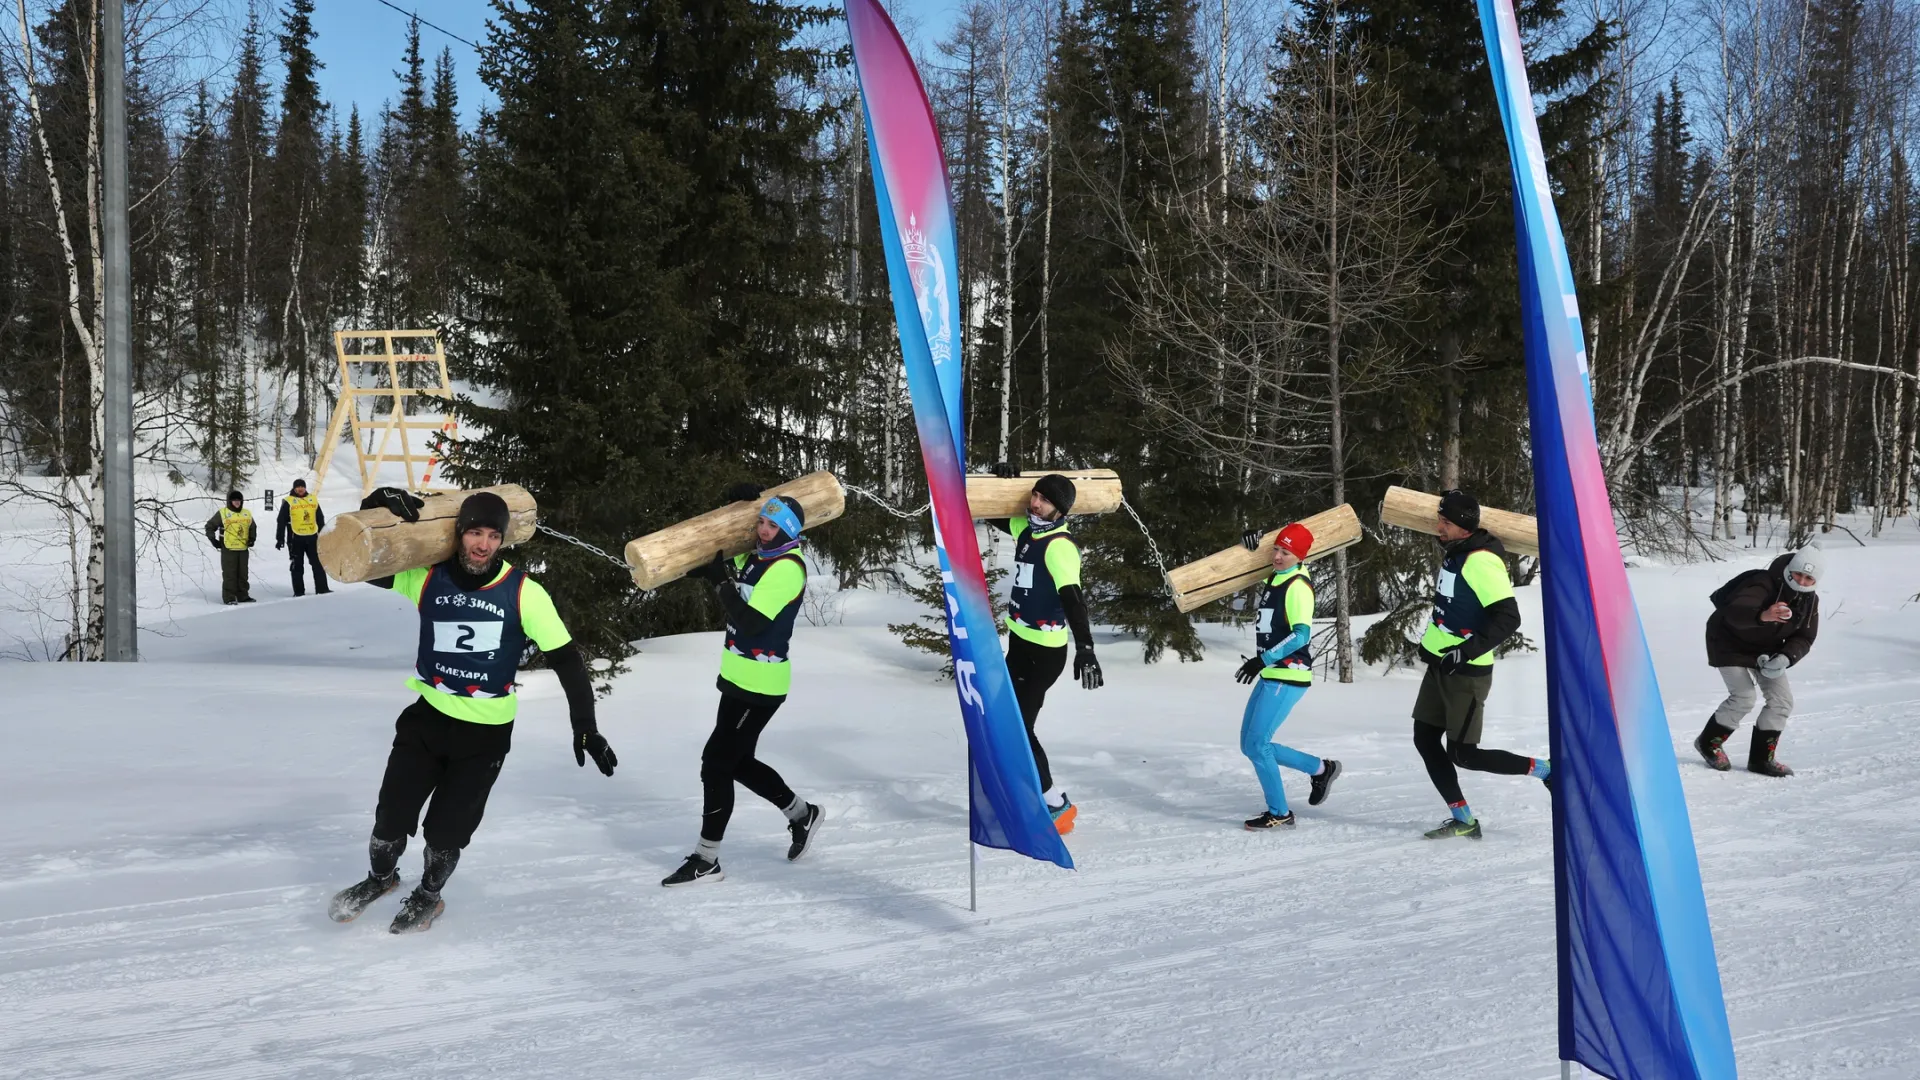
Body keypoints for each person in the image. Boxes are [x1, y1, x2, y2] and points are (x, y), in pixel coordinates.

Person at [328, 488, 618, 933]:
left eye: (492, 536)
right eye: (474, 533)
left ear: (503, 541)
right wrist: (375, 507)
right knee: (390, 818)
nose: (483, 544)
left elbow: (567, 660)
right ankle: (380, 879)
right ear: (458, 533)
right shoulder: (426, 576)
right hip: (426, 718)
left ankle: (428, 895)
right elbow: (367, 560)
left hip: (484, 734)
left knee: (446, 833)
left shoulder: (524, 593)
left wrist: (586, 726)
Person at [663, 488, 824, 888]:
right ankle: (802, 814)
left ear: (788, 532)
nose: (763, 531)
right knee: (736, 762)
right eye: (761, 522)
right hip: (737, 678)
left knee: (716, 763)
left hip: (762, 687)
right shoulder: (758, 555)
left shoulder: (786, 567)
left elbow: (750, 622)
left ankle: (707, 858)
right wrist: (734, 504)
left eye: (772, 526)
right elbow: (721, 552)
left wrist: (720, 584)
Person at [1412, 489, 1549, 840]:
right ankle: (1464, 819)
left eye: (1444, 522)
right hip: (1441, 666)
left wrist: (1466, 651)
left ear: (1462, 526)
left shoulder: (1480, 561)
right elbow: (1452, 607)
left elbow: (1508, 617)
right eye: (1438, 520)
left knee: (1464, 755)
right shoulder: (1457, 553)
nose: (1438, 527)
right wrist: (1431, 647)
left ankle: (1547, 770)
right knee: (1425, 739)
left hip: (1466, 674)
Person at [987, 462, 1103, 834]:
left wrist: (1085, 648)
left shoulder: (1060, 547)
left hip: (1044, 654)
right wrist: (1003, 479)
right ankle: (1028, 793)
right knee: (1009, 720)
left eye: (1044, 500)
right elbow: (992, 514)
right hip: (1020, 642)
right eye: (1034, 494)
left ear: (1060, 510)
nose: (1035, 503)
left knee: (1020, 726)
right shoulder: (1028, 529)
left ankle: (1055, 803)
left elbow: (1073, 600)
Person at [1233, 521, 1340, 829]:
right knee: (1250, 745)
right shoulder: (1278, 576)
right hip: (1272, 672)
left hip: (1287, 674)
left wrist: (1261, 659)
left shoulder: (1297, 586)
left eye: (1286, 552)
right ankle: (1321, 769)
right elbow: (1247, 563)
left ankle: (1279, 812)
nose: (1278, 557)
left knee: (1257, 744)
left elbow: (1301, 635)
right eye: (1276, 550)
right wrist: (1251, 542)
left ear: (1300, 557)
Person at [1696, 543, 1822, 777]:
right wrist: (1762, 615)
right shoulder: (1762, 582)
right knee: (1744, 697)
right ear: (1789, 569)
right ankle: (1708, 743)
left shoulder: (1810, 601)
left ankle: (1761, 760)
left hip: (1767, 650)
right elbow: (1735, 610)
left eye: (1809, 578)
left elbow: (1805, 637)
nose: (1802, 581)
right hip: (1728, 642)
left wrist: (1785, 658)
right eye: (1799, 574)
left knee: (1782, 701)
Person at [275, 478, 330, 597]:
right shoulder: (289, 501)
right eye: (298, 487)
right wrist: (280, 539)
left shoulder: (312, 499)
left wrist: (323, 534)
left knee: (318, 563)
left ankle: (322, 589)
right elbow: (281, 521)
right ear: (294, 488)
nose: (300, 489)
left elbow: (320, 518)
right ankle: (299, 592)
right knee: (297, 566)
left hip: (312, 537)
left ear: (305, 488)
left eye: (302, 486)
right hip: (295, 538)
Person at [204, 489, 257, 605]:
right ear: (230, 501)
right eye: (234, 500)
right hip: (228, 549)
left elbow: (252, 527)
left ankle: (243, 595)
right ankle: (229, 597)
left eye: (239, 500)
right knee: (230, 574)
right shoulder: (223, 513)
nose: (237, 502)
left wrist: (252, 539)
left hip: (243, 549)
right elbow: (209, 526)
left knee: (243, 574)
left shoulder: (246, 513)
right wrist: (213, 540)